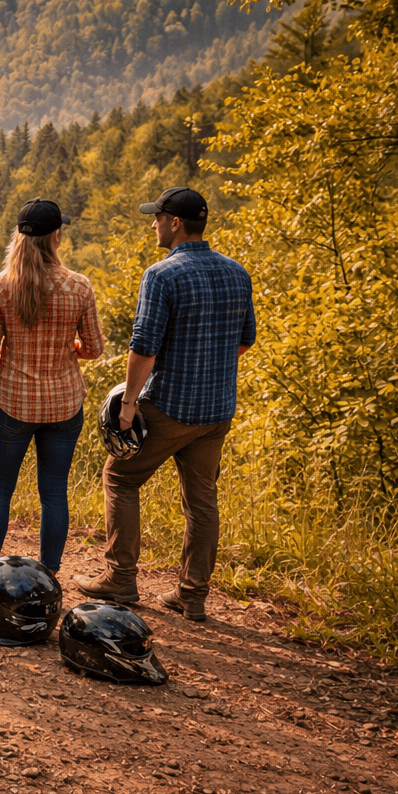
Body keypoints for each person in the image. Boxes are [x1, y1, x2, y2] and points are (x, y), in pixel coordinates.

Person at [73, 186, 255, 622]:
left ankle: (120, 578)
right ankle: (192, 595)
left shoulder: (163, 274)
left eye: (156, 217)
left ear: (175, 223)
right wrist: (211, 370)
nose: (152, 223)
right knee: (202, 500)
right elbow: (245, 340)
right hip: (216, 410)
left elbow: (144, 346)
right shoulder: (237, 273)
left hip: (171, 405)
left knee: (120, 477)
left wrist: (129, 403)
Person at [0, 198, 103, 591]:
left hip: (11, 401)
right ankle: (49, 577)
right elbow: (93, 348)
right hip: (63, 402)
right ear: (57, 235)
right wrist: (69, 347)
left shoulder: (1, 285)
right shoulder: (79, 286)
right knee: (54, 492)